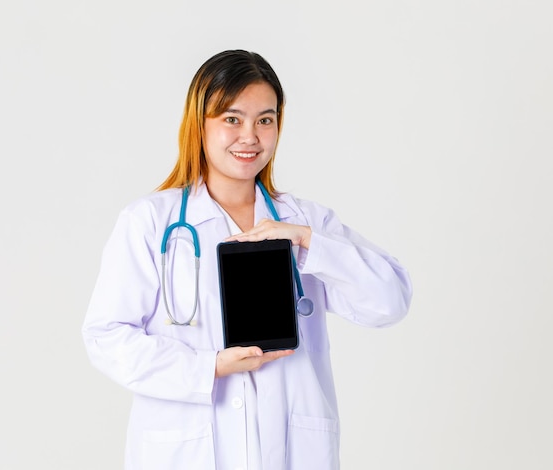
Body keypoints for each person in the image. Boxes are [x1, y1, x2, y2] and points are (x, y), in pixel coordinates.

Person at [82, 49, 413, 470]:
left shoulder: (305, 220)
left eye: (266, 119)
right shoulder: (150, 223)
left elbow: (390, 300)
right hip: (190, 451)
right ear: (199, 124)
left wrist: (310, 242)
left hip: (293, 451)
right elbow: (106, 337)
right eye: (232, 119)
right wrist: (209, 368)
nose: (251, 137)